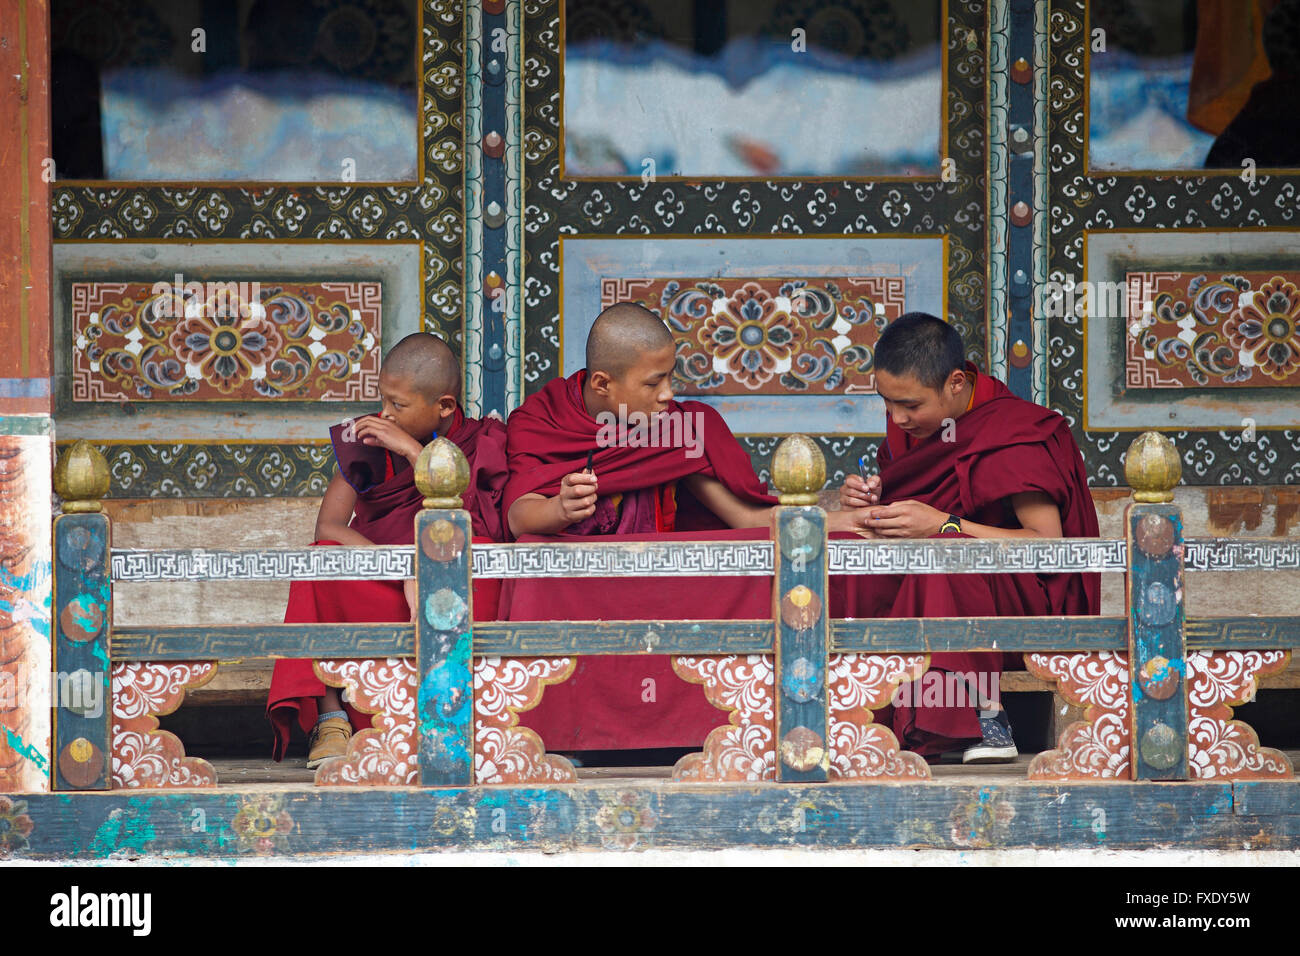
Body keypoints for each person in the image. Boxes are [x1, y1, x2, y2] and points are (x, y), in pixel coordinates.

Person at [503, 302, 859, 755]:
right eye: (654, 383)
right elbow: (518, 518)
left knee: (765, 552)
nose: (668, 394)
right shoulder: (543, 421)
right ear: (602, 383)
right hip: (584, 577)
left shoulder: (680, 427)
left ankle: (725, 727)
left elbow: (746, 520)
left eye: (671, 377)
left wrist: (847, 521)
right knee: (534, 555)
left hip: (653, 574)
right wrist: (560, 508)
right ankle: (557, 732)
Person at [835, 312, 1100, 763]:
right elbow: (921, 497)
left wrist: (945, 525)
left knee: (944, 554)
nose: (897, 417)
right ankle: (854, 712)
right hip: (935, 594)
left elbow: (1048, 546)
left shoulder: (1013, 433)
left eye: (911, 405)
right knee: (852, 556)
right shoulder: (919, 428)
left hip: (1025, 605)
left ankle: (985, 719)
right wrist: (872, 501)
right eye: (887, 403)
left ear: (956, 382)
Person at [266, 332, 507, 767]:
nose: (384, 413)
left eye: (399, 405)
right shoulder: (368, 438)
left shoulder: (484, 441)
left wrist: (417, 454)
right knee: (318, 561)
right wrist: (402, 568)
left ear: (445, 406)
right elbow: (330, 526)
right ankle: (333, 720)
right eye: (384, 399)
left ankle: (463, 709)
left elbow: (482, 523)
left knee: (489, 561)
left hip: (450, 580)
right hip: (385, 580)